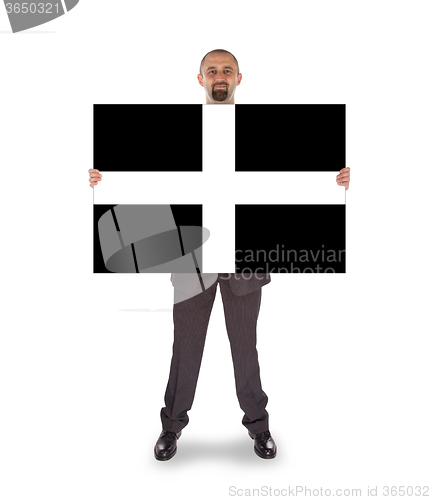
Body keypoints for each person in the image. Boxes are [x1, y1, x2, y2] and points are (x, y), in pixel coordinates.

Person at [88, 49, 351, 461]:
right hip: (192, 262)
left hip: (245, 263)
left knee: (246, 351)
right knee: (185, 351)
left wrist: (330, 180)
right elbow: (152, 181)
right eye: (212, 70)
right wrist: (107, 180)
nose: (219, 76)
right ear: (200, 80)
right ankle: (171, 428)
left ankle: (258, 427)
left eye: (226, 70)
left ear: (239, 78)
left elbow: (288, 181)